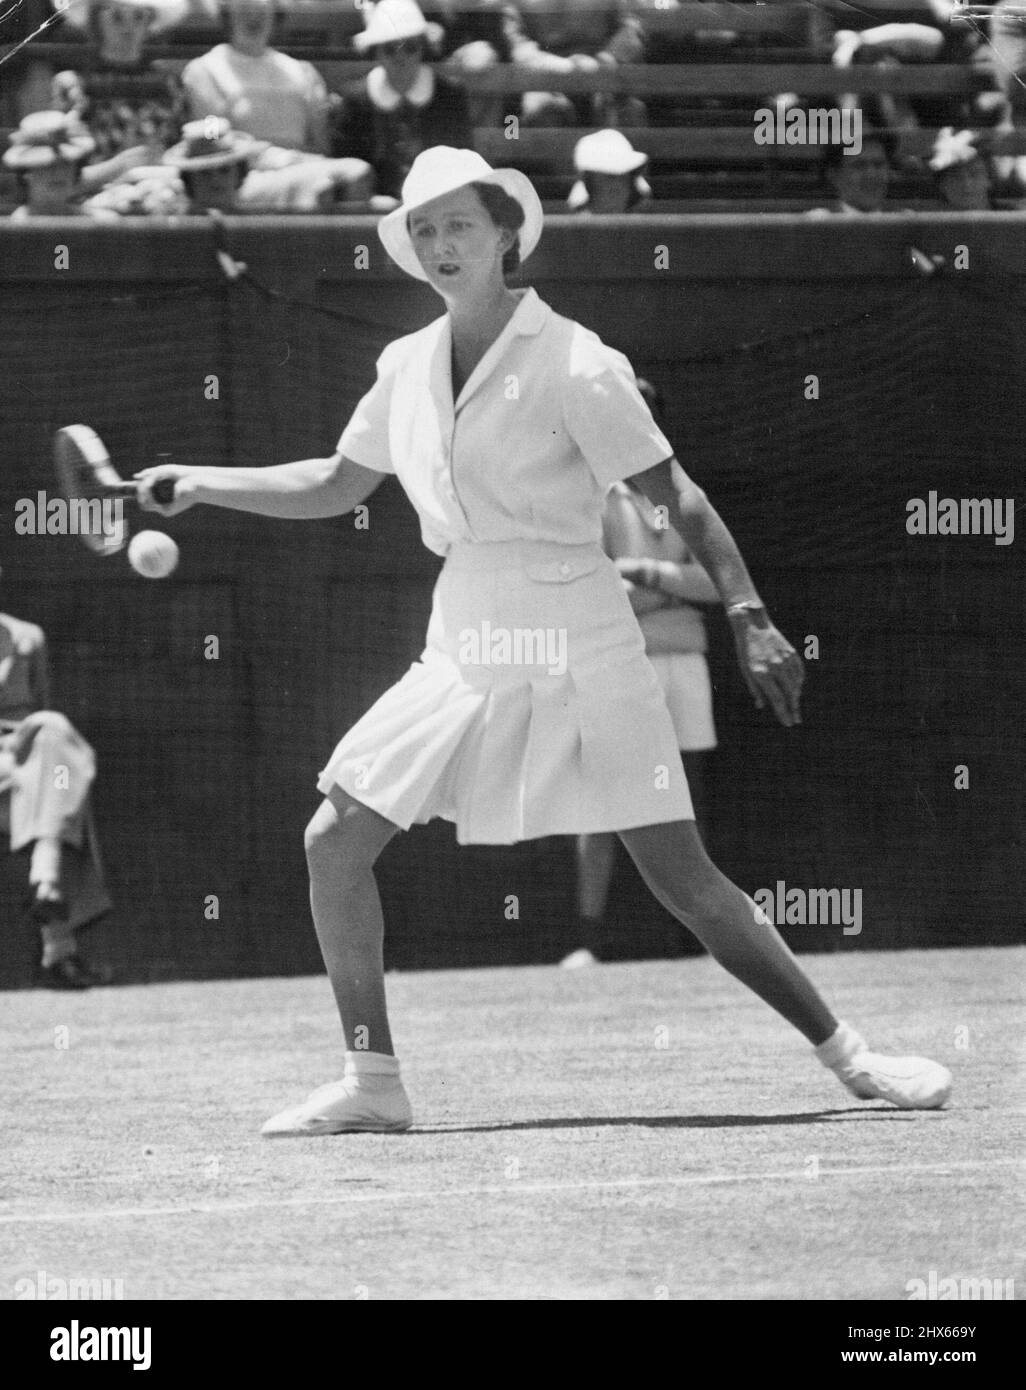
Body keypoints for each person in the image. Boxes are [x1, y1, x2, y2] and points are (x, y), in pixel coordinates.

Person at [137, 145, 953, 1135]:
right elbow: (337, 485)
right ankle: (373, 1081)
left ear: (505, 235)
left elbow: (677, 497)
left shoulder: (577, 359)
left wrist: (749, 615)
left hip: (579, 634)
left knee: (682, 877)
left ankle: (855, 1061)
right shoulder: (404, 366)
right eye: (426, 229)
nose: (442, 245)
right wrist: (202, 478)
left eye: (461, 227)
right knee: (335, 840)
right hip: (465, 633)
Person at [563, 378, 719, 970]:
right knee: (601, 805)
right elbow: (595, 593)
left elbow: (715, 583)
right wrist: (673, 589)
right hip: (616, 665)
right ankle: (587, 942)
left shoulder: (682, 495)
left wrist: (644, 574)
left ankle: (701, 940)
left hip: (686, 664)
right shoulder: (588, 496)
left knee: (687, 802)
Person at [0, 590, 111, 989]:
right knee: (61, 797)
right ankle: (57, 948)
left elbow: (39, 708)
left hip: (17, 757)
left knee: (56, 735)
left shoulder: (28, 636)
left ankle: (46, 879)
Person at [332, 0, 471, 202]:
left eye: (410, 47)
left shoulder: (449, 95)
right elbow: (344, 167)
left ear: (422, 49)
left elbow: (463, 163)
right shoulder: (354, 100)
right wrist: (369, 199)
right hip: (373, 209)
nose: (401, 57)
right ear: (376, 52)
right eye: (389, 49)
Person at [3, 111, 112, 220]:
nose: (59, 172)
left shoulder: (103, 223)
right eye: (47, 165)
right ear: (26, 174)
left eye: (65, 163)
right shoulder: (11, 231)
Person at [163, 115, 259, 211]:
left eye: (224, 170)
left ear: (239, 173)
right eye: (204, 173)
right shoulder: (176, 223)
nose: (215, 179)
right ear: (189, 180)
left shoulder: (257, 222)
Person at [809, 132, 896, 217]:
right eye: (859, 166)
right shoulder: (814, 224)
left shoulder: (907, 224)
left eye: (878, 165)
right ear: (834, 175)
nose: (872, 175)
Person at [567, 128, 650, 214]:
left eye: (624, 178)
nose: (619, 187)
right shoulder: (572, 226)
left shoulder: (641, 225)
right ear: (589, 182)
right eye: (610, 177)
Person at [929, 127, 995, 211]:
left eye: (974, 174)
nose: (966, 184)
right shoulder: (922, 222)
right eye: (956, 176)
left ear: (989, 179)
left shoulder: (1013, 217)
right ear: (941, 184)